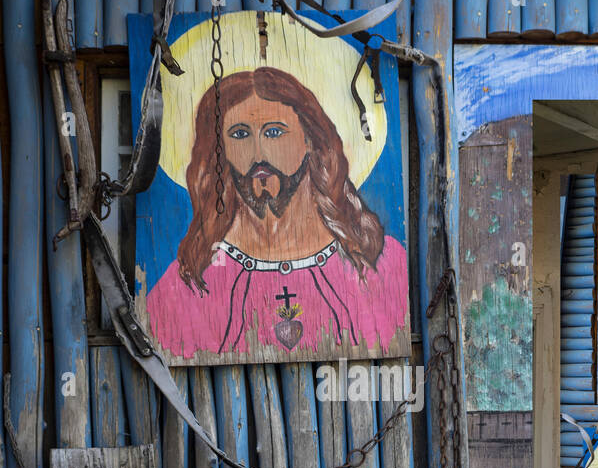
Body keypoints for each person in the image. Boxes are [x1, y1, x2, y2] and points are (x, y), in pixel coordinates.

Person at [147, 66, 408, 359]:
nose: (258, 153)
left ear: (310, 139)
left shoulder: (375, 262)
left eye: (274, 132)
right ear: (221, 150)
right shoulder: (193, 275)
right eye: (240, 134)